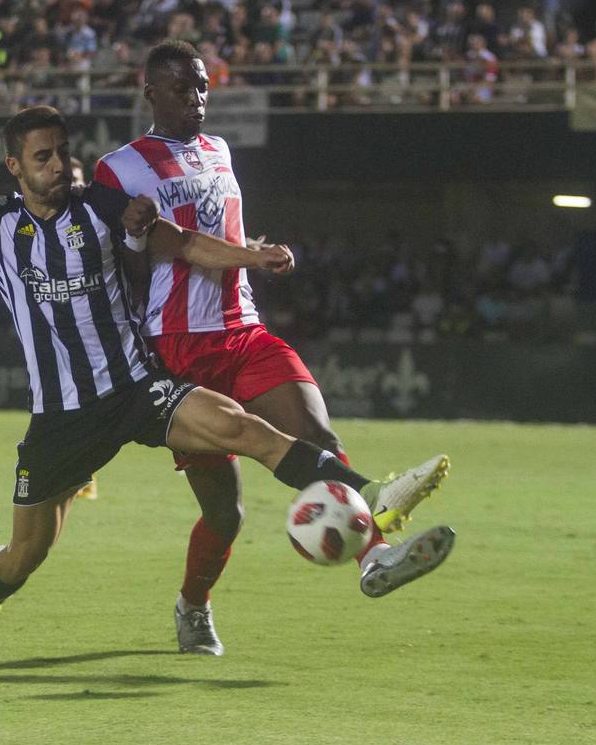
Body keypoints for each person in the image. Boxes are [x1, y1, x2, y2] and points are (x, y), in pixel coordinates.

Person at [0, 44, 453, 651]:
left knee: (245, 431)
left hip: (137, 387)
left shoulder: (99, 206)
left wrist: (228, 249)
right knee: (26, 552)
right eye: (41, 157)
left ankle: (369, 497)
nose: (57, 165)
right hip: (63, 417)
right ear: (14, 167)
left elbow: (179, 242)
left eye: (62, 153)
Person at [94, 39, 453, 655]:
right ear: (149, 92)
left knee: (318, 435)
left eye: (204, 86)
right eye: (183, 88)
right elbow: (174, 245)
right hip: (177, 351)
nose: (198, 98)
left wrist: (250, 250)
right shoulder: (120, 168)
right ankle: (193, 605)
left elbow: (218, 234)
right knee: (224, 513)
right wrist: (253, 254)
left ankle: (376, 558)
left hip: (243, 329)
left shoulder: (219, 149)